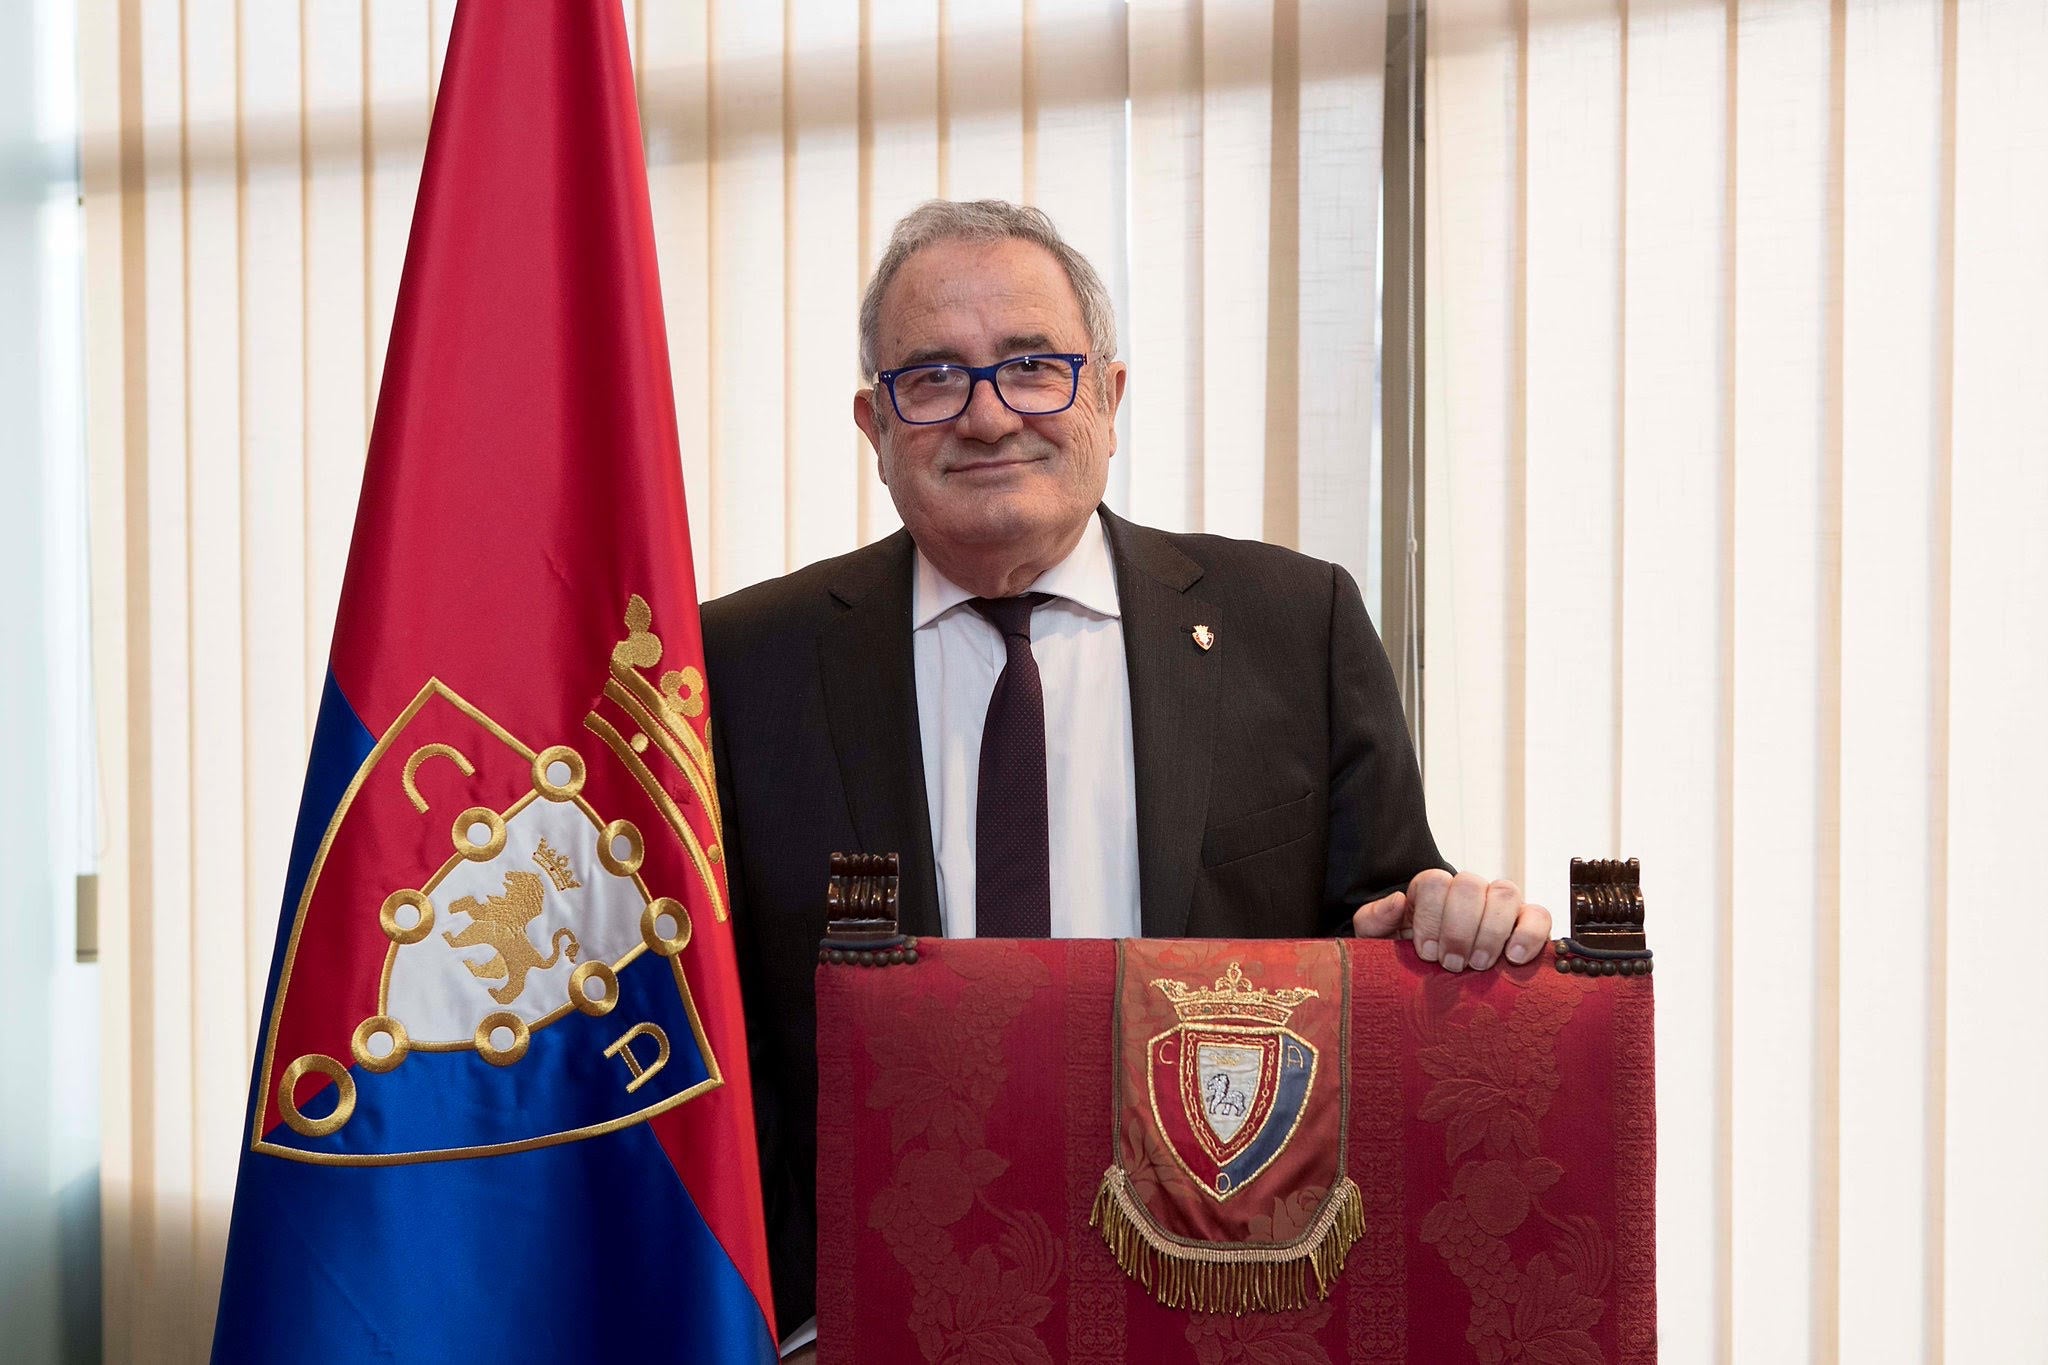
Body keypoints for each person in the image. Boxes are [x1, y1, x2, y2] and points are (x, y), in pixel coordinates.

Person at [701, 199, 1551, 1350]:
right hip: (866, 1315)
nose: (990, 415)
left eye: (1032, 366)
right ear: (874, 422)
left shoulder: (1291, 625)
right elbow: (712, 1035)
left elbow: (1377, 942)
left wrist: (1443, 921)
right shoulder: (740, 665)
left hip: (1217, 1305)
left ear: (1106, 391)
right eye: (935, 378)